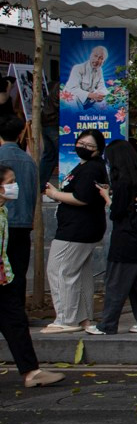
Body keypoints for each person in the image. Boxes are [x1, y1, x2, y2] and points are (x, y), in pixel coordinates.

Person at [91, 139, 137, 334]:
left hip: (126, 239)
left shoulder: (122, 182)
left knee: (116, 283)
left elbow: (117, 212)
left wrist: (107, 196)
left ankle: (106, 325)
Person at [0, 116, 53, 385]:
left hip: (3, 274)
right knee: (13, 312)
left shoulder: (2, 214)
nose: (13, 186)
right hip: (20, 237)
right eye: (9, 182)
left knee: (13, 315)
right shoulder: (29, 163)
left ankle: (31, 371)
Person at [40, 127, 107, 334]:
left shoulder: (92, 169)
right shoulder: (85, 166)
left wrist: (55, 194)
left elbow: (82, 198)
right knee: (80, 273)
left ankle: (66, 318)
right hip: (81, 228)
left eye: (89, 146)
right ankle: (84, 318)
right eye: (81, 144)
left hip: (77, 229)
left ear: (98, 149)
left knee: (60, 270)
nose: (83, 148)